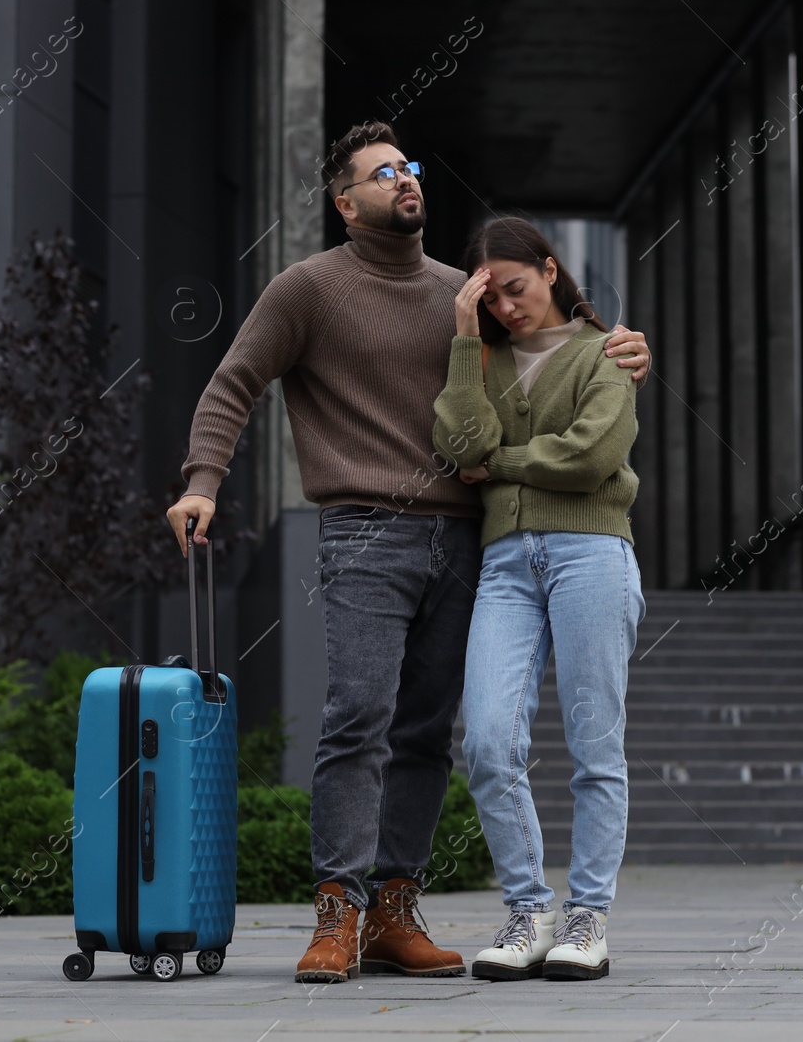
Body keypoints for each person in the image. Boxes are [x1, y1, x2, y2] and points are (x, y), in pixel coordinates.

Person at [164, 121, 649, 985]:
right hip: (363, 530)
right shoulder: (306, 288)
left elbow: (544, 358)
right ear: (347, 202)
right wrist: (204, 479)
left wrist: (619, 345)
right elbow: (234, 379)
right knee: (358, 715)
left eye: (411, 167)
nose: (406, 180)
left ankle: (394, 907)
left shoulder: (468, 295)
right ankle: (337, 912)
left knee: (429, 731)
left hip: (470, 536)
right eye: (383, 173)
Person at [432, 216, 645, 982]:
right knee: (488, 739)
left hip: (592, 552)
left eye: (516, 289)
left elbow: (592, 458)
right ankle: (529, 908)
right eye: (491, 300)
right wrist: (463, 333)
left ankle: (588, 917)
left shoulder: (607, 352)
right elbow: (460, 448)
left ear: (550, 271)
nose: (508, 309)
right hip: (504, 565)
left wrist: (504, 463)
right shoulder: (480, 358)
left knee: (595, 746)